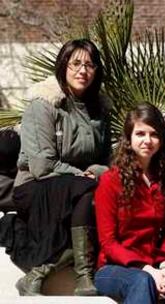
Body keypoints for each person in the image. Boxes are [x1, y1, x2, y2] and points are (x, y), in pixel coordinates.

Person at [0, 39, 111, 296]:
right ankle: (84, 275)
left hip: (80, 184)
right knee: (87, 191)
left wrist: (94, 172)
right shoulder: (44, 105)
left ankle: (40, 274)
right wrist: (81, 175)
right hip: (35, 186)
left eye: (90, 65)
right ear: (63, 66)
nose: (83, 70)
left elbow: (106, 160)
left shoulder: (100, 111)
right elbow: (41, 165)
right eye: (76, 63)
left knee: (100, 193)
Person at [94, 103, 165, 304]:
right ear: (129, 138)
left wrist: (162, 270)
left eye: (154, 134)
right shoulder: (110, 181)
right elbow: (108, 243)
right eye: (140, 134)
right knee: (142, 282)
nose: (147, 140)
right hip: (115, 268)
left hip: (156, 264)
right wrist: (148, 271)